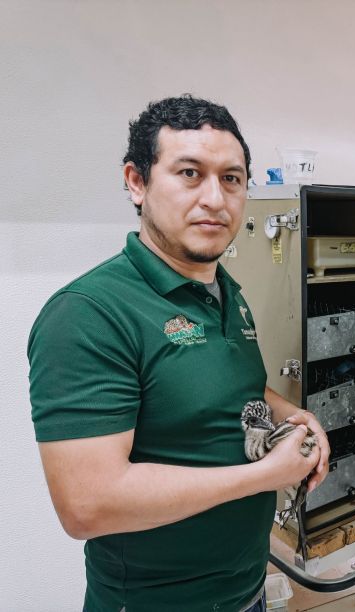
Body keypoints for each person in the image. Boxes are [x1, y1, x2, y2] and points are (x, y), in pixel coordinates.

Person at [28, 95, 330, 612]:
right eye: (190, 173)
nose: (215, 198)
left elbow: (236, 389)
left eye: (231, 179)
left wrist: (293, 415)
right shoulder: (89, 314)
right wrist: (266, 476)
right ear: (137, 182)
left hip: (246, 590)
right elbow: (87, 505)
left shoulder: (228, 292)